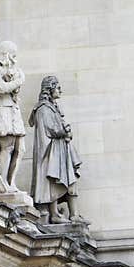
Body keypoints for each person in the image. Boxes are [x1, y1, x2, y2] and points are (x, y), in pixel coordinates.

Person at [28, 76, 83, 223]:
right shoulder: (43, 108)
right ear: (50, 89)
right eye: (58, 87)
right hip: (51, 152)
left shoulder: (53, 107)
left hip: (60, 150)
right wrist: (64, 131)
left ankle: (74, 214)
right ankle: (54, 214)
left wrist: (66, 130)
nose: (61, 90)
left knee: (70, 181)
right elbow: (50, 129)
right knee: (53, 182)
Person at [0, 41, 25, 190]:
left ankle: (11, 181)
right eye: (13, 55)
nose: (14, 59)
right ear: (6, 53)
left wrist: (15, 77)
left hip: (13, 109)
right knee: (7, 147)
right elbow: (1, 88)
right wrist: (18, 81)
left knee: (20, 149)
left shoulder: (6, 68)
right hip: (2, 108)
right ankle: (3, 182)